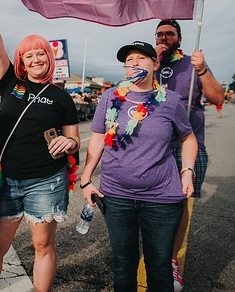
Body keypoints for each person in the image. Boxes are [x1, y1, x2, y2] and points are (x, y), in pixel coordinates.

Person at [0, 0, 80, 292]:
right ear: (21, 61)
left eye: (41, 52)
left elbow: (74, 139)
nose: (36, 57)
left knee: (43, 247)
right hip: (6, 179)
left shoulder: (62, 97)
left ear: (49, 58)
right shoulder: (11, 82)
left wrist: (70, 143)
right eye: (29, 54)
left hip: (46, 180)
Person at [79, 40, 198, 291]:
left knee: (159, 266)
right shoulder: (110, 98)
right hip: (116, 196)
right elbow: (98, 137)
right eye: (129, 59)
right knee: (123, 265)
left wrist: (187, 171)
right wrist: (86, 178)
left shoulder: (170, 100)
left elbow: (188, 138)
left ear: (155, 64)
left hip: (162, 198)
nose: (134, 63)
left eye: (141, 58)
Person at [154, 19, 224, 291]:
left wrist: (203, 69)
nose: (164, 38)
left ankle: (170, 259)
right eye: (159, 34)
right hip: (154, 146)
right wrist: (153, 62)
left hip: (187, 145)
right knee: (153, 204)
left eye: (169, 34)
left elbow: (217, 98)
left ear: (179, 39)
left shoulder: (192, 65)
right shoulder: (151, 64)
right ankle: (155, 250)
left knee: (180, 204)